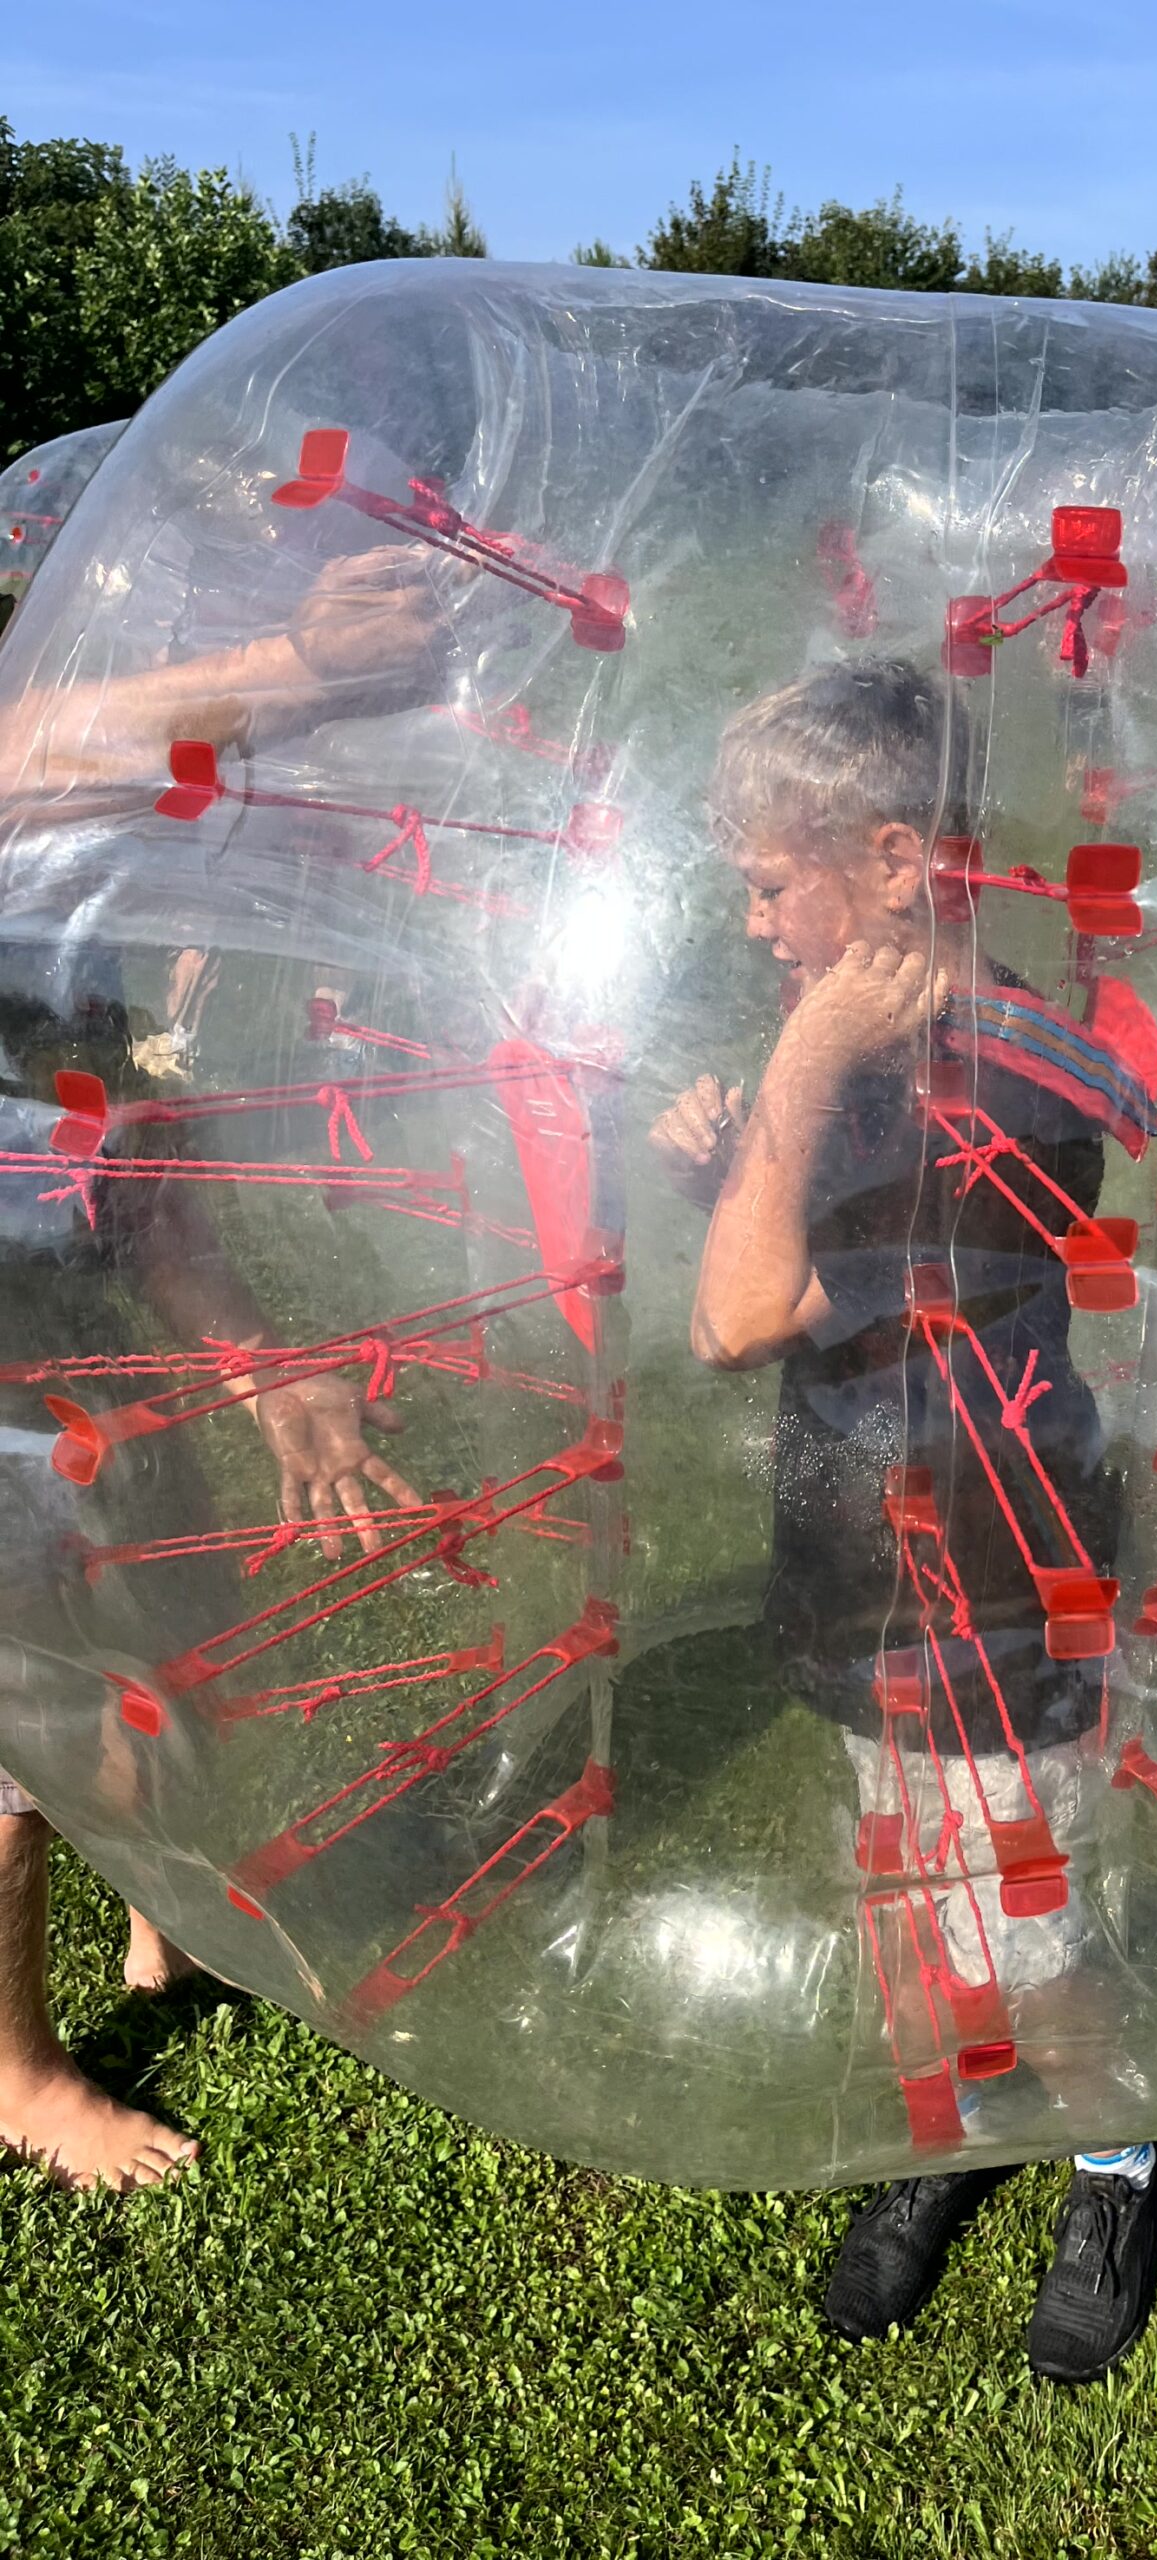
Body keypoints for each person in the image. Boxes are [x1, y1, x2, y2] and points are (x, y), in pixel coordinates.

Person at [649, 657, 1157, 2383]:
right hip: (865, 1563)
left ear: (890, 862)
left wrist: (788, 1089)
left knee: (1030, 1933)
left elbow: (734, 1316)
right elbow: (788, 1274)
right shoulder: (877, 1053)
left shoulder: (988, 1080)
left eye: (766, 882)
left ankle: (1109, 2153)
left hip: (995, 1588)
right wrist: (737, 1151)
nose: (749, 927)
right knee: (907, 1900)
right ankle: (954, 2132)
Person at [0, 542, 441, 2188]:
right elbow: (42, 742)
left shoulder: (72, 935)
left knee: (166, 1631)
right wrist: (302, 661)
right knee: (15, 1717)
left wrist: (266, 1376)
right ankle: (22, 2078)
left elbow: (136, 1191)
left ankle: (158, 1922)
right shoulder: (28, 779)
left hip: (67, 1362)